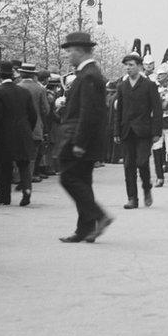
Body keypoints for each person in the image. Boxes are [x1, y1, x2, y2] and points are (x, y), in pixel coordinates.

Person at [56, 32, 113, 243]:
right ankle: (85, 229)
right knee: (82, 182)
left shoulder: (88, 75)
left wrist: (80, 142)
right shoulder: (89, 73)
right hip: (84, 137)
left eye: (70, 51)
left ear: (80, 51)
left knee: (68, 178)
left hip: (79, 138)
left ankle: (99, 215)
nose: (68, 56)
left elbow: (88, 112)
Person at [115, 51, 161, 208]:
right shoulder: (122, 86)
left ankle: (146, 188)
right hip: (127, 131)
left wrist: (156, 132)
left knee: (142, 162)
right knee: (128, 165)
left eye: (131, 65)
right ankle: (132, 198)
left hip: (144, 131)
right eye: (126, 65)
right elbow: (119, 110)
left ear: (140, 67)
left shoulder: (149, 85)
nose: (128, 68)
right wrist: (116, 131)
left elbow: (157, 110)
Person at [0, 62, 37, 206]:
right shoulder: (24, 92)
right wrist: (28, 128)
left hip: (6, 132)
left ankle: (4, 197)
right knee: (24, 164)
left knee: (5, 165)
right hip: (23, 130)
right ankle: (27, 190)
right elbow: (33, 115)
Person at [17, 63, 51, 185]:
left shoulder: (17, 86)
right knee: (33, 153)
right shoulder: (40, 89)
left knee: (19, 152)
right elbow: (46, 109)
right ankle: (27, 180)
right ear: (33, 74)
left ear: (21, 73)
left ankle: (18, 178)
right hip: (36, 126)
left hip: (18, 126)